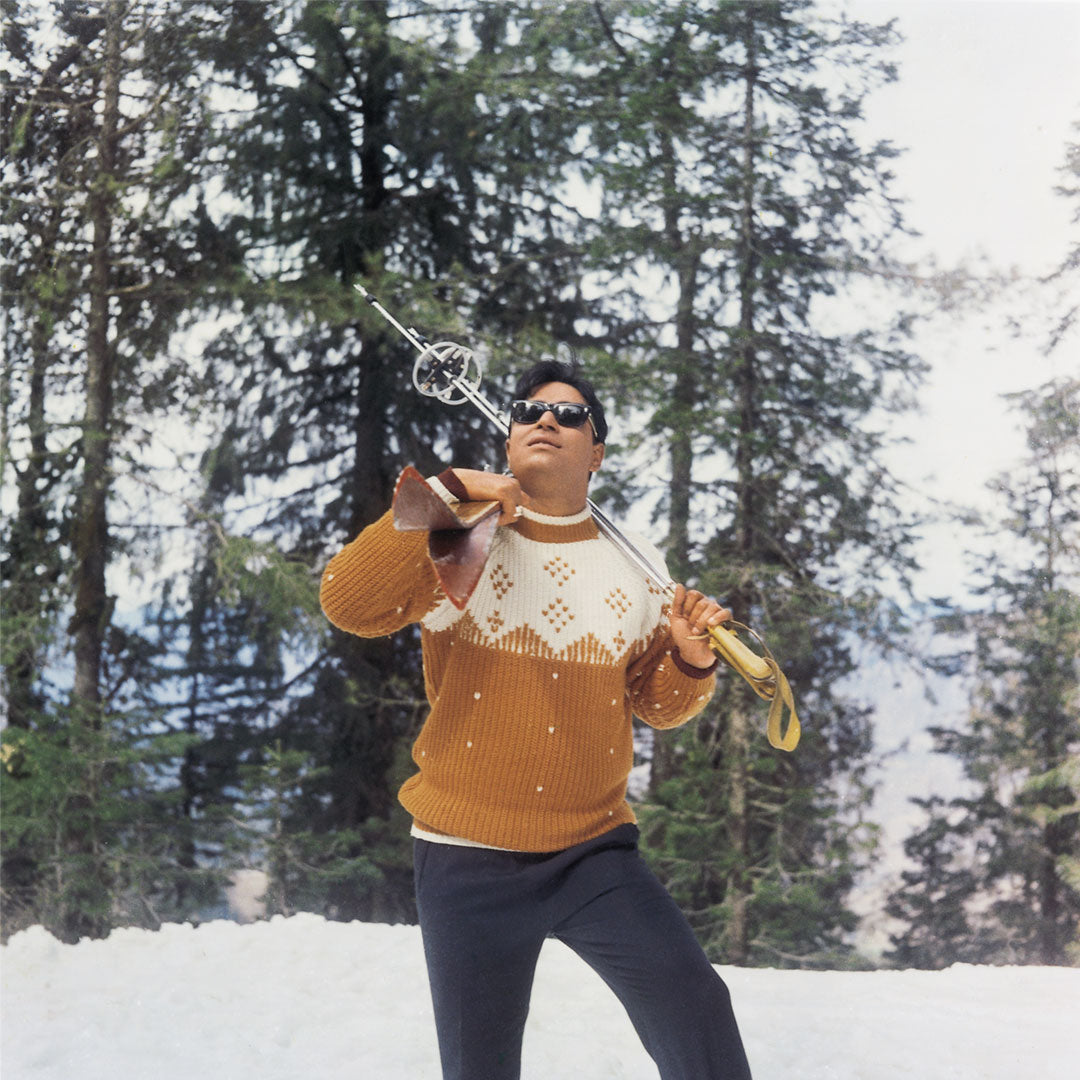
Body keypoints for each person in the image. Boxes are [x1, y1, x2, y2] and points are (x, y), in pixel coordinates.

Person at [320, 360, 753, 1080]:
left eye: (570, 414)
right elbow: (348, 604)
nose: (545, 420)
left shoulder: (638, 565)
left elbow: (658, 705)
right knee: (480, 1068)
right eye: (527, 410)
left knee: (697, 1008)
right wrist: (448, 490)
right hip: (465, 853)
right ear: (509, 434)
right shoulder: (459, 534)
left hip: (591, 853)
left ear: (598, 454)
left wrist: (690, 659)